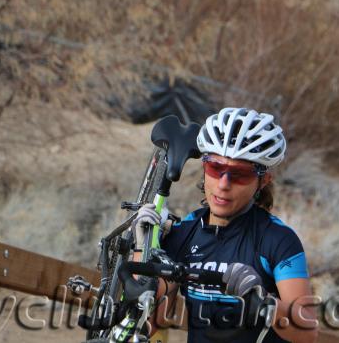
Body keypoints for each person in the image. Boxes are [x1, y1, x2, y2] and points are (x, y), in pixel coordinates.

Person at [132, 107, 318, 342]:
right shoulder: (187, 231)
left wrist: (260, 299)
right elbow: (149, 317)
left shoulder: (278, 239)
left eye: (239, 174)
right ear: (204, 168)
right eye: (215, 168)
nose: (223, 184)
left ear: (263, 181)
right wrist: (144, 247)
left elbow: (307, 333)